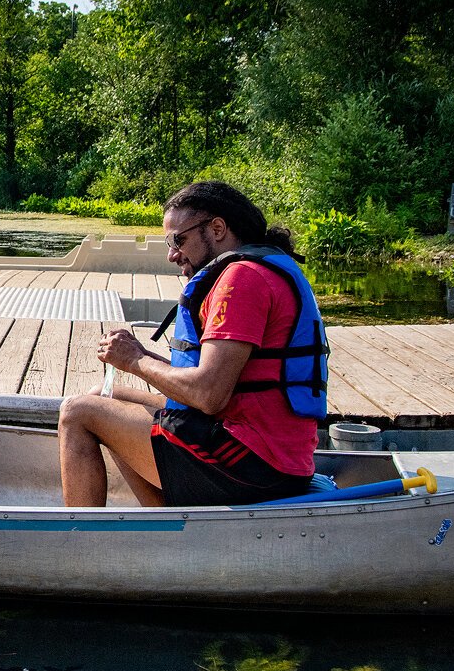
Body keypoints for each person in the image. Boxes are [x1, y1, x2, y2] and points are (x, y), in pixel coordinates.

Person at [57, 181, 330, 508]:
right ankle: (166, 524)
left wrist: (134, 361)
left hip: (255, 465)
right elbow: (214, 384)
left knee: (77, 412)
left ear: (217, 229)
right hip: (266, 454)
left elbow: (208, 395)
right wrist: (143, 356)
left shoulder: (243, 279)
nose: (172, 254)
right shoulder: (257, 269)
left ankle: (78, 544)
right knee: (101, 396)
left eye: (178, 240)